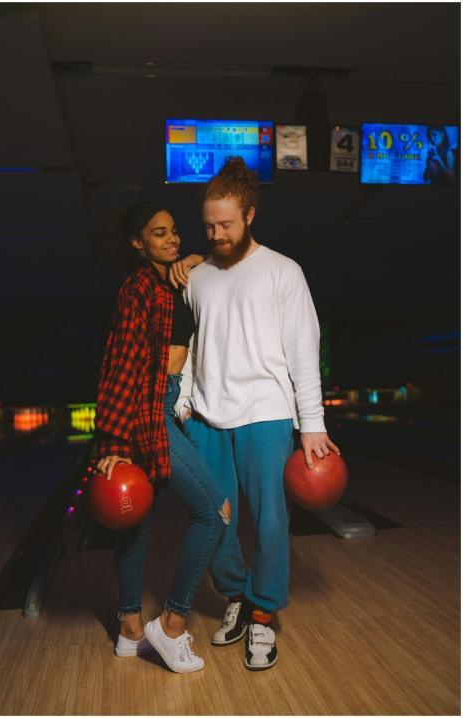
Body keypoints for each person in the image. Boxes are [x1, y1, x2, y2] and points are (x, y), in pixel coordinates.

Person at [174, 157, 340, 670]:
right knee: (215, 520)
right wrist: (183, 397)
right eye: (208, 226)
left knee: (270, 521)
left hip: (266, 413)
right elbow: (193, 344)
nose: (215, 233)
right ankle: (236, 598)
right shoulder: (196, 277)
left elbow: (302, 349)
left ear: (249, 215)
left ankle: (265, 613)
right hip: (206, 414)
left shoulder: (283, 272)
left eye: (225, 224)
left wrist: (311, 424)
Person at [94, 201, 230, 673]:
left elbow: (192, 264)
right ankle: (171, 625)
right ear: (138, 243)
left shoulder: (164, 279)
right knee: (215, 511)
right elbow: (121, 362)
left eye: (173, 231)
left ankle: (130, 632)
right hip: (148, 410)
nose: (172, 239)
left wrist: (189, 259)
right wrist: (112, 440)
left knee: (140, 523)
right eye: (159, 234)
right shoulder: (137, 290)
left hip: (163, 403)